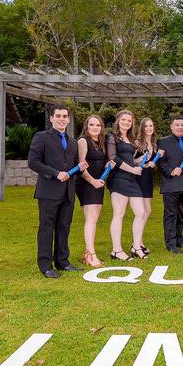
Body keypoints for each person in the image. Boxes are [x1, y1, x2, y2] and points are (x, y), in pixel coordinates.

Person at [27, 105, 86, 278]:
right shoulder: (41, 137)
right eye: (58, 116)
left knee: (64, 227)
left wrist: (80, 167)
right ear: (51, 118)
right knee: (47, 228)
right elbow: (33, 162)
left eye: (64, 116)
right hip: (48, 192)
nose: (62, 119)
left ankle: (63, 262)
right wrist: (55, 174)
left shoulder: (73, 142)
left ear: (68, 119)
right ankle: (45, 265)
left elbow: (72, 165)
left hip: (68, 192)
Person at [106, 110, 148, 260]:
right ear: (118, 121)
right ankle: (116, 250)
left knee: (141, 212)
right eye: (123, 120)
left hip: (131, 178)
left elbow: (131, 160)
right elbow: (114, 158)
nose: (126, 123)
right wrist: (132, 169)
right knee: (119, 213)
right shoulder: (112, 137)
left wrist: (143, 158)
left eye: (129, 121)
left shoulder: (130, 139)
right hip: (118, 178)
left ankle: (136, 246)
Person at [157, 115, 183, 254]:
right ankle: (171, 244)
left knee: (181, 215)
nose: (180, 127)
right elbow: (160, 163)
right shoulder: (163, 142)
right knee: (170, 215)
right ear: (171, 127)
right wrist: (171, 171)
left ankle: (180, 241)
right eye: (177, 125)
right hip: (171, 184)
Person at [76, 114, 108, 267]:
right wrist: (92, 181)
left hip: (98, 183)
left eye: (98, 125)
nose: (95, 128)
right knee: (92, 218)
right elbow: (80, 166)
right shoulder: (83, 141)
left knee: (92, 218)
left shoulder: (101, 142)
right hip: (87, 183)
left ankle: (88, 252)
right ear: (86, 127)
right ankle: (91, 255)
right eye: (92, 125)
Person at [135, 117, 161, 256]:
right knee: (142, 212)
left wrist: (153, 161)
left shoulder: (153, 143)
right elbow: (131, 160)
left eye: (151, 126)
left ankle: (138, 241)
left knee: (147, 211)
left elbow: (152, 160)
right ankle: (137, 243)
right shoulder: (137, 143)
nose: (149, 128)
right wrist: (143, 163)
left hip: (148, 178)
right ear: (142, 128)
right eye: (146, 126)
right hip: (138, 177)